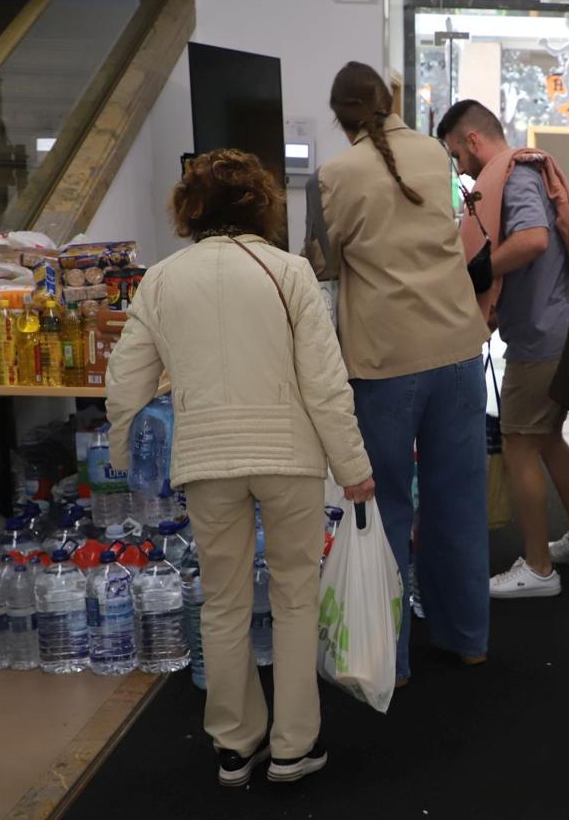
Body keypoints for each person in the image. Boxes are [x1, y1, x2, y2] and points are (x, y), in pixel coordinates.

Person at [106, 149, 374, 788]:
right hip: (288, 457)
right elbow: (325, 384)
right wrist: (354, 466)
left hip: (206, 460)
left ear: (188, 208)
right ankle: (292, 746)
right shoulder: (290, 273)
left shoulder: (162, 281)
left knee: (222, 603)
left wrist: (125, 457)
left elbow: (125, 383)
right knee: (294, 598)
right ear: (262, 204)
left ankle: (234, 745)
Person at [304, 62, 491, 685]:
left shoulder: (334, 175)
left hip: (385, 362)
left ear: (340, 116)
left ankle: (393, 659)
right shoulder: (437, 154)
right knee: (457, 500)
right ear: (389, 101)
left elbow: (322, 265)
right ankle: (468, 639)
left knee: (384, 506)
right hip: (460, 349)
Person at [436, 100, 569, 598]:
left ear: (472, 141)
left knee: (517, 443)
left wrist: (482, 269)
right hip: (552, 329)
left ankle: (537, 568)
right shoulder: (515, 175)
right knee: (547, 438)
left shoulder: (515, 177)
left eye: (455, 154)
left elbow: (531, 239)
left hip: (539, 335)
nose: (459, 168)